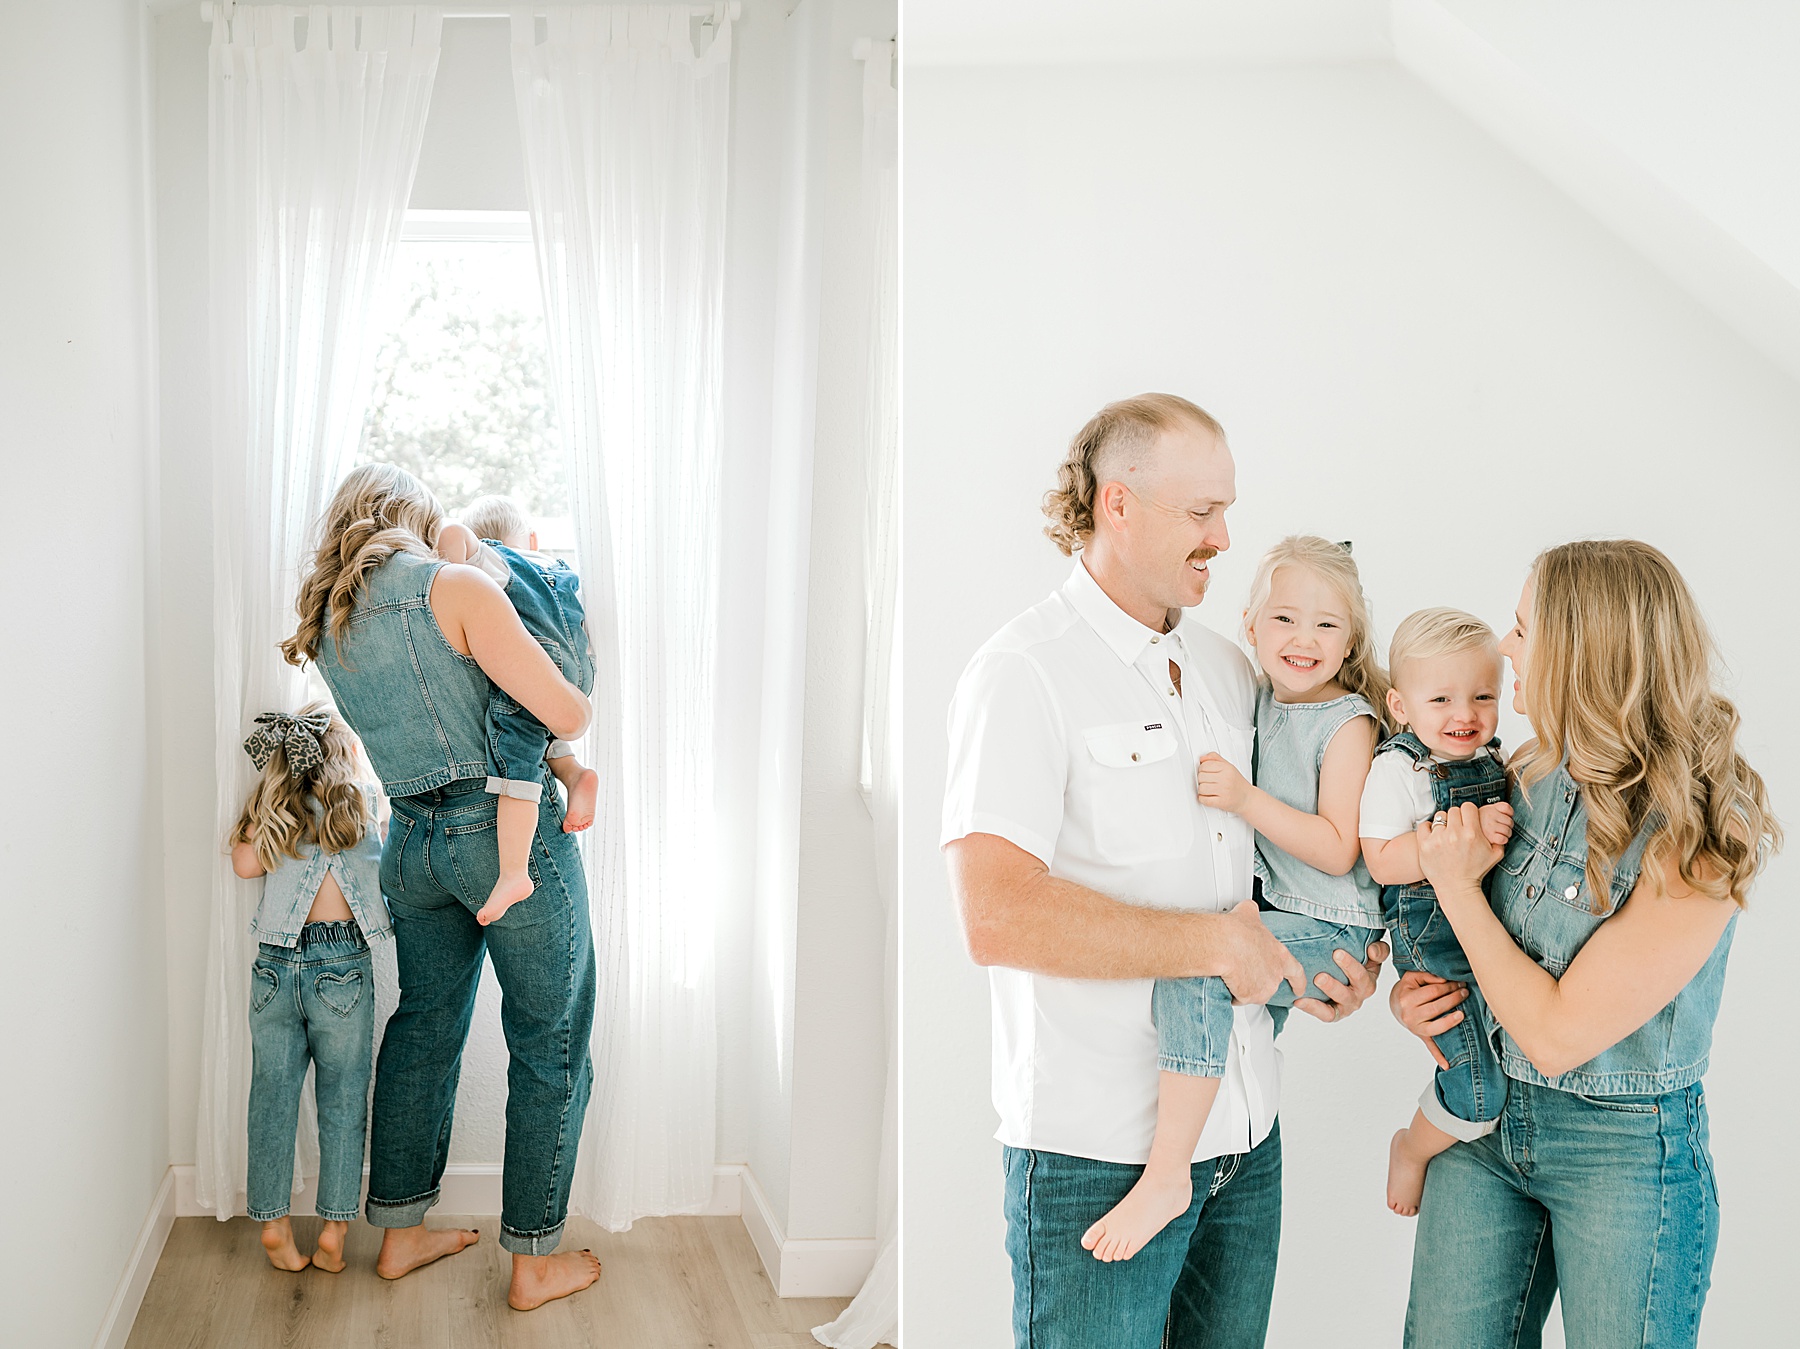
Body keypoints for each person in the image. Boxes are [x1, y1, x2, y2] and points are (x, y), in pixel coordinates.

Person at [942, 394, 1388, 1349]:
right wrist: (1222, 945)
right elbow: (994, 914)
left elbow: (1267, 864)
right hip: (1095, 1153)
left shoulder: (1233, 669)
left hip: (1245, 1137)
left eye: (1227, 510)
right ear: (1119, 504)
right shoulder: (1023, 672)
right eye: (1202, 512)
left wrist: (1315, 966)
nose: (1224, 538)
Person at [1391, 540, 1781, 1348]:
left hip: (1625, 1151)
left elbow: (1558, 1033)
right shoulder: (1532, 764)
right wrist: (1417, 991)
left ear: (1584, 651)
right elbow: (1476, 949)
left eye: (1525, 628)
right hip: (1486, 1122)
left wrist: (1459, 890)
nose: (1504, 645)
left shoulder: (1703, 828)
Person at [280, 464, 603, 1312]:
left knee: (423, 1027)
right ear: (416, 520)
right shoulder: (453, 586)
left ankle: (400, 1233)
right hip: (502, 834)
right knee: (550, 1038)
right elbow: (564, 713)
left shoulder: (332, 624)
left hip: (410, 845)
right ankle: (532, 1261)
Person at [1082, 534, 1390, 1262]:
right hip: (1284, 911)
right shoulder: (1253, 696)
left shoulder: (1347, 722)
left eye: (1325, 624)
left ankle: (1167, 1174)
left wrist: (1247, 799)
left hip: (1332, 924)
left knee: (1200, 965)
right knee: (1213, 976)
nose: (1303, 639)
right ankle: (1201, 1147)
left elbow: (1337, 846)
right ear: (1250, 626)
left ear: (1350, 643)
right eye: (1284, 619)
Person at [1357, 609, 1514, 1215]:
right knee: (1478, 1091)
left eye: (1483, 695)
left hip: (1492, 944)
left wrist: (1489, 830)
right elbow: (1381, 860)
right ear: (1400, 706)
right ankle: (1414, 1149)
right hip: (1440, 957)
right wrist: (1459, 832)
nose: (1465, 714)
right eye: (1441, 698)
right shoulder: (1398, 770)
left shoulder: (1498, 762)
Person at [229, 705, 389, 1275]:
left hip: (273, 966)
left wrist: (263, 806)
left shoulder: (278, 809)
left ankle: (273, 1224)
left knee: (271, 1095)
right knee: (343, 1099)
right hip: (341, 966)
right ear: (345, 757)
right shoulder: (361, 808)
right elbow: (388, 873)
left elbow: (245, 867)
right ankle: (334, 1229)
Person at [434, 494, 600, 925]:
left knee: (515, 764)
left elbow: (452, 534)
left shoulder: (494, 561)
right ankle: (575, 774)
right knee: (546, 732)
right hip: (578, 671)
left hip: (536, 663)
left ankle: (513, 872)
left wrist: (451, 566)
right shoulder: (559, 569)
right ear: (532, 537)